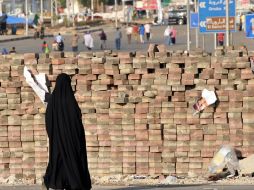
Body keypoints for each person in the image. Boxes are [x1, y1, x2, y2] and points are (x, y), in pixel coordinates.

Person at [41, 73, 92, 190]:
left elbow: (48, 120)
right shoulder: (70, 101)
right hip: (71, 140)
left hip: (57, 140)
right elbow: (77, 120)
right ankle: (73, 183)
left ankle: (54, 182)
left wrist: (54, 134)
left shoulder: (52, 101)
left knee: (57, 160)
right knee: (72, 160)